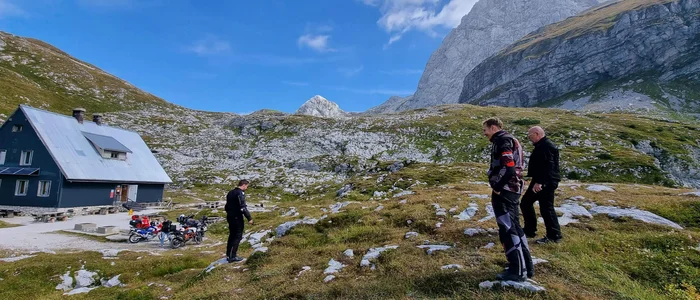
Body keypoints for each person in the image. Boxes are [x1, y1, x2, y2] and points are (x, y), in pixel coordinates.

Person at [482, 117, 533, 281]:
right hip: (513, 189)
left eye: (486, 130)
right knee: (515, 226)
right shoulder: (509, 139)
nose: (485, 134)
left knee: (507, 227)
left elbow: (509, 167)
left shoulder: (502, 140)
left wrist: (497, 187)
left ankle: (517, 270)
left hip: (505, 190)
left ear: (493, 127)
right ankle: (526, 266)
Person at [521, 126, 562, 244]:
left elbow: (548, 166)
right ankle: (529, 230)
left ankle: (554, 236)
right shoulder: (543, 145)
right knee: (526, 203)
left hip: (546, 182)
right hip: (541, 180)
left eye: (530, 136)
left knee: (546, 208)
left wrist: (540, 182)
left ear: (537, 133)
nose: (529, 138)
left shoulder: (546, 146)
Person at [225, 179, 253, 263]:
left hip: (230, 216)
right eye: (247, 186)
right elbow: (243, 207)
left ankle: (229, 254)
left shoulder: (230, 192)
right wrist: (249, 218)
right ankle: (232, 256)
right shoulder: (240, 193)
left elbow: (227, 206)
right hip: (237, 217)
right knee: (237, 236)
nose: (247, 188)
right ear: (244, 185)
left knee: (232, 235)